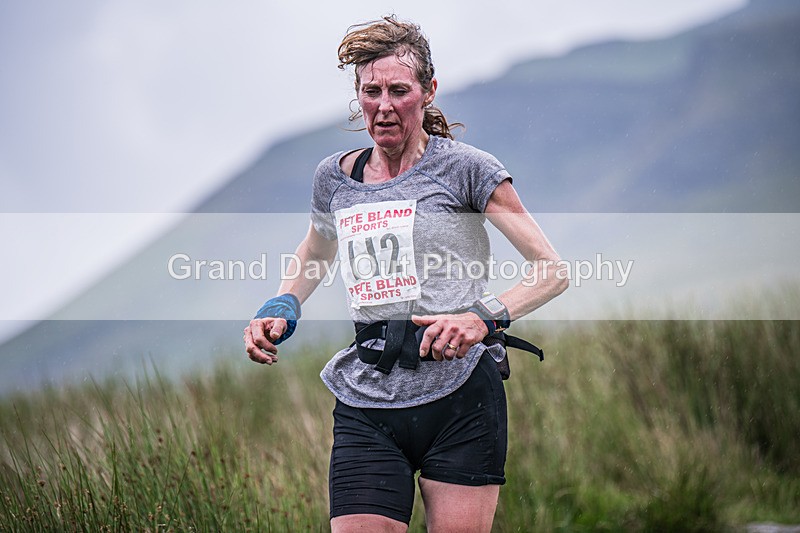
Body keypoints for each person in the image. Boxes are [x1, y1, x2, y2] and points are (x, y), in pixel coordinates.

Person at [243, 15, 568, 532]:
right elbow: (315, 251)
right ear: (358, 95)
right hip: (367, 395)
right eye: (371, 91)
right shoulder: (334, 177)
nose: (384, 105)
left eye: (399, 90)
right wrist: (281, 304)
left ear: (429, 91)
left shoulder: (467, 168)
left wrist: (482, 318)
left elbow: (551, 271)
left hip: (461, 395)